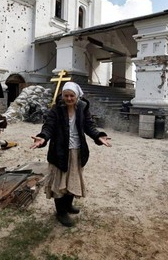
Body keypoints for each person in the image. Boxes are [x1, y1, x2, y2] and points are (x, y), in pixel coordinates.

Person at [30, 81, 111, 227]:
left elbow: (89, 125)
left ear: (77, 96)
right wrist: (42, 137)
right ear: (62, 96)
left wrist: (98, 136)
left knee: (73, 179)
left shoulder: (82, 107)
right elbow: (49, 126)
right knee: (60, 182)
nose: (68, 99)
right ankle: (61, 212)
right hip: (60, 151)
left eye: (71, 96)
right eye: (66, 96)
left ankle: (68, 206)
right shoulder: (56, 109)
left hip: (77, 150)